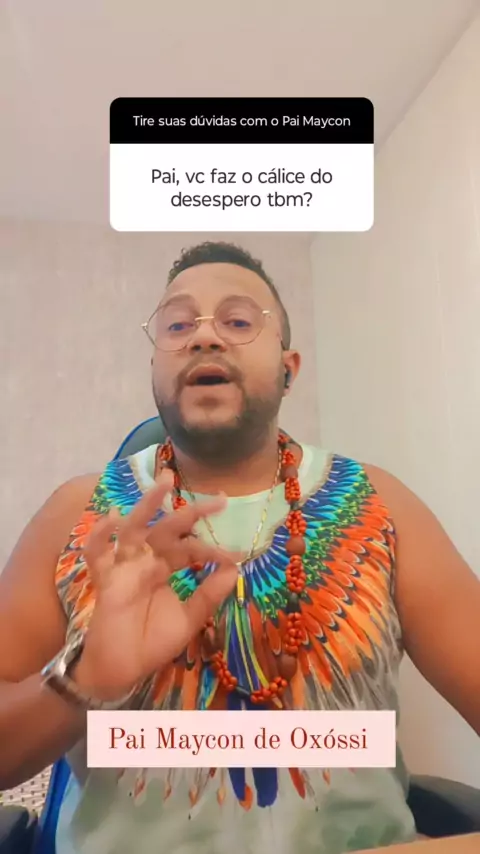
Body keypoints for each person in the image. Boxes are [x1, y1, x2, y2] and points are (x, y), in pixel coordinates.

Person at [0, 241, 479, 854]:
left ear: (289, 366)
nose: (205, 337)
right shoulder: (77, 516)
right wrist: (84, 679)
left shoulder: (383, 506)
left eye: (237, 320)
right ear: (154, 366)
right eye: (178, 325)